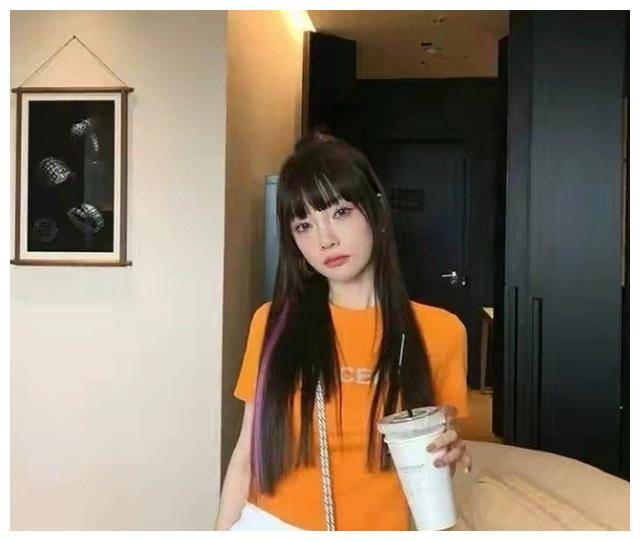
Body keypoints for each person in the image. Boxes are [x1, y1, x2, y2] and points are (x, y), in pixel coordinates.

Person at [215, 133, 472, 531]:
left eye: (340, 212)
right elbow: (246, 456)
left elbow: (431, 465)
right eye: (304, 225)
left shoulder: (441, 332)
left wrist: (449, 456)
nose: (326, 240)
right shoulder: (272, 323)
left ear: (376, 210)